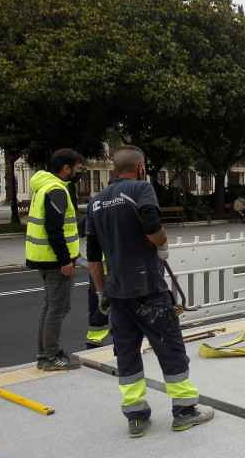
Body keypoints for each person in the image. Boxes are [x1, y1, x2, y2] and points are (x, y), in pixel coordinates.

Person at [85, 145, 213, 438]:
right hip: (148, 289)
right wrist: (162, 244)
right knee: (169, 348)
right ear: (140, 166)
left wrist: (102, 292)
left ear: (114, 170)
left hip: (117, 294)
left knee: (127, 354)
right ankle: (184, 411)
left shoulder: (95, 203)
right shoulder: (140, 189)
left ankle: (136, 417)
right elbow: (151, 222)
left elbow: (93, 256)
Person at [26, 148, 85, 371]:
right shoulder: (57, 190)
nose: (79, 174)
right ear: (66, 168)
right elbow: (54, 228)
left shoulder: (44, 187)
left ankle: (44, 354)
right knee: (59, 307)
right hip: (54, 260)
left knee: (50, 306)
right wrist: (65, 260)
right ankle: (51, 356)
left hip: (43, 257)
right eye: (78, 169)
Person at [76, 216, 110, 349]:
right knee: (100, 309)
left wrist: (80, 260)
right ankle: (94, 342)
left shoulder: (94, 213)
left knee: (100, 308)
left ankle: (94, 342)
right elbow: (70, 236)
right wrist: (79, 259)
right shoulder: (95, 214)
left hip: (99, 272)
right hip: (107, 272)